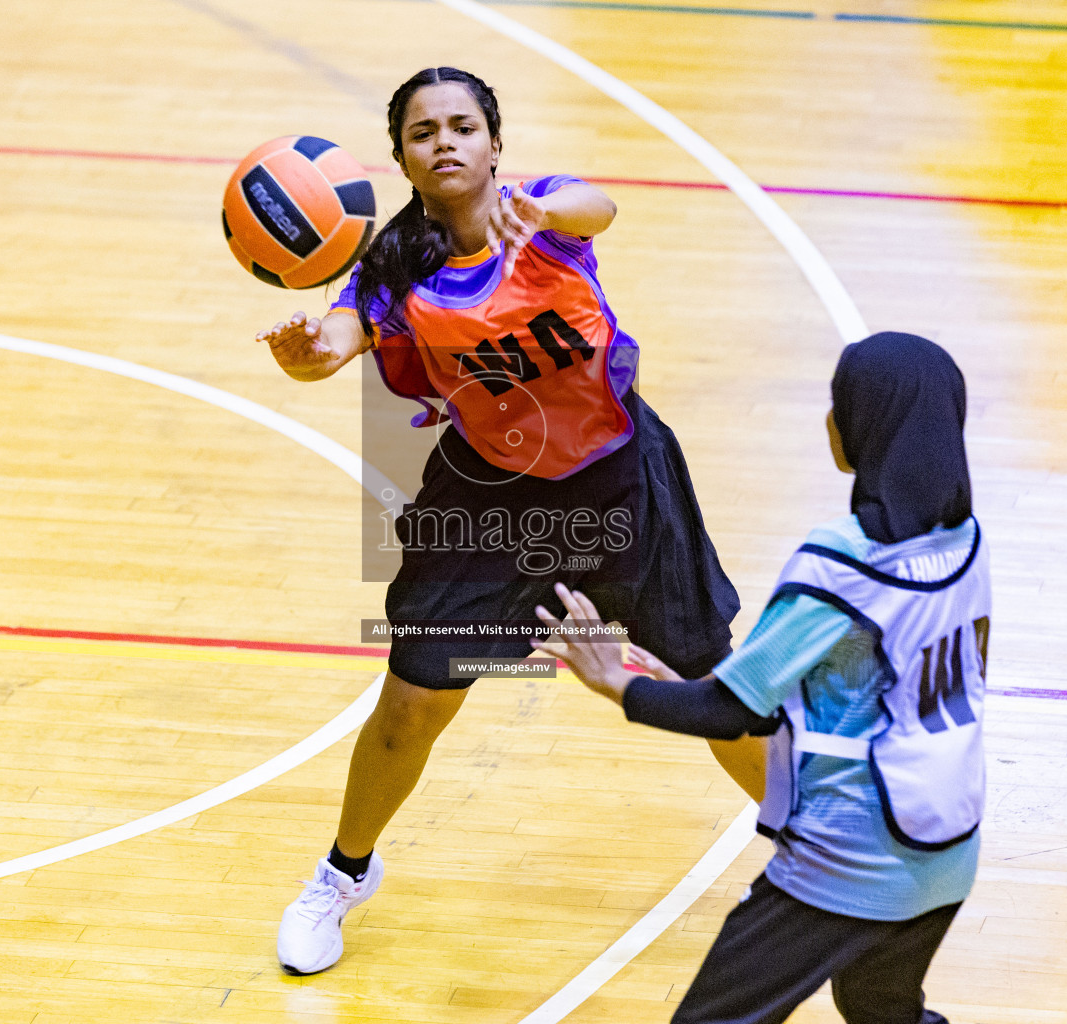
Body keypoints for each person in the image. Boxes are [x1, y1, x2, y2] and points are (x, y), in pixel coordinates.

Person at [256, 66, 755, 975]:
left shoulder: (547, 216)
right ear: (404, 157)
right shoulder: (394, 267)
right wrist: (300, 353)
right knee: (411, 704)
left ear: (494, 142)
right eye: (422, 132)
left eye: (462, 126)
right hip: (491, 503)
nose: (444, 141)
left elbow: (597, 206)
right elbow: (330, 346)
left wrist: (553, 213)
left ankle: (817, 853)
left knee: (719, 682)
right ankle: (344, 873)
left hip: (619, 485)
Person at [535, 332, 986, 1024]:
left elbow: (728, 712)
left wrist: (614, 680)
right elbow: (876, 688)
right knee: (880, 1006)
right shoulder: (965, 543)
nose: (829, 421)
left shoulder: (842, 567)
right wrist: (684, 682)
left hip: (851, 854)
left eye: (838, 406)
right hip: (950, 844)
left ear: (858, 432)